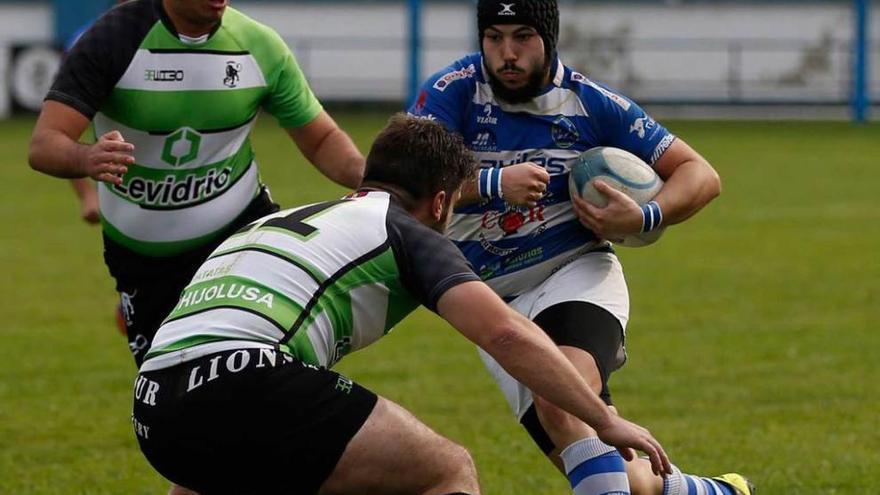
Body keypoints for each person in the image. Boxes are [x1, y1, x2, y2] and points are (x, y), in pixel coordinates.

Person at [131, 114, 672, 495]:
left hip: (154, 405)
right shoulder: (401, 229)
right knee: (446, 471)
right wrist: (603, 418)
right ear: (440, 201)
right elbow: (505, 333)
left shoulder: (279, 221)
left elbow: (207, 403)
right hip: (251, 379)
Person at [407, 1, 753, 495]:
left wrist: (643, 215)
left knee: (561, 405)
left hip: (573, 272)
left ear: (549, 38)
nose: (507, 53)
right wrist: (491, 182)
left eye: (523, 36)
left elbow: (701, 174)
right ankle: (714, 491)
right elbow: (405, 186)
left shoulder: (591, 102)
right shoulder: (453, 90)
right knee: (627, 474)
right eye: (494, 37)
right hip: (488, 305)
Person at [29, 0, 365, 366]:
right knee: (174, 390)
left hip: (239, 235)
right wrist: (86, 157)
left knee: (264, 364)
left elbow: (320, 140)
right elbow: (45, 144)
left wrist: (374, 182)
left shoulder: (259, 45)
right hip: (144, 261)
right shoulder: (111, 40)